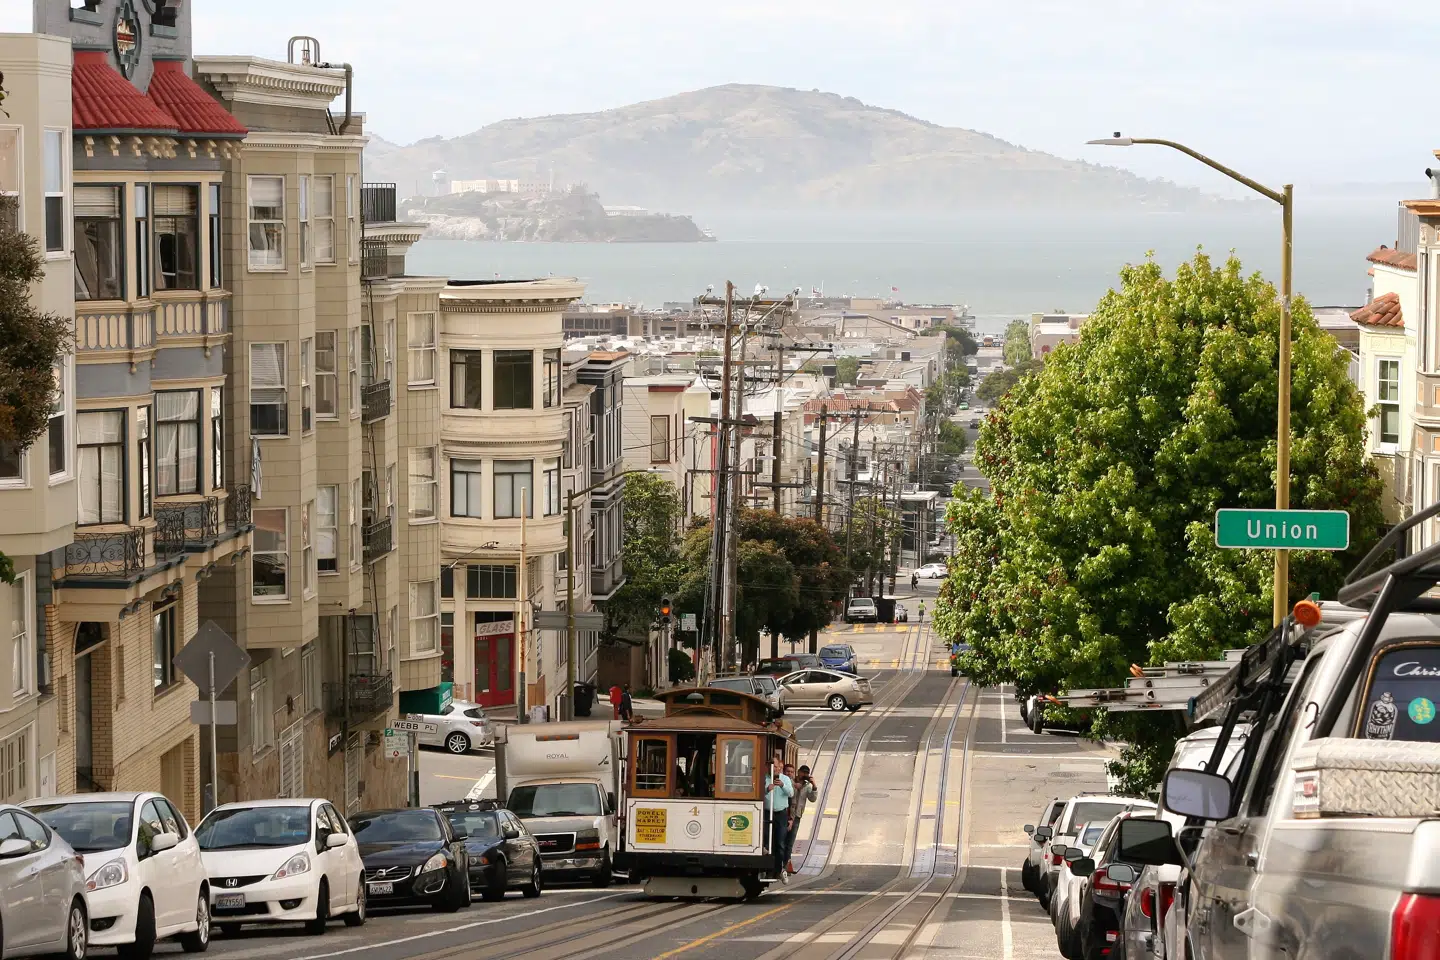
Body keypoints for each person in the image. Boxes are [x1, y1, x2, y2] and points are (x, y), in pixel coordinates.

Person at [764, 755, 794, 883]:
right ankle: (767, 869)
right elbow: (756, 793)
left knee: (780, 843)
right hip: (766, 813)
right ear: (768, 767)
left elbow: (791, 793)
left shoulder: (785, 779)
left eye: (777, 767)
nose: (775, 769)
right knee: (766, 842)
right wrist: (766, 789)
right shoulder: (763, 778)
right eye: (773, 767)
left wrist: (782, 785)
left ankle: (780, 869)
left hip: (781, 814)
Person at [784, 763, 818, 874]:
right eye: (802, 772)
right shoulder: (790, 781)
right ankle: (783, 864)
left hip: (797, 816)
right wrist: (795, 787)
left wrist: (814, 786)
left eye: (806, 773)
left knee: (790, 842)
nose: (804, 775)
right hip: (787, 814)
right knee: (782, 839)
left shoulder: (808, 785)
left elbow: (813, 799)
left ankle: (786, 864)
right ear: (798, 772)